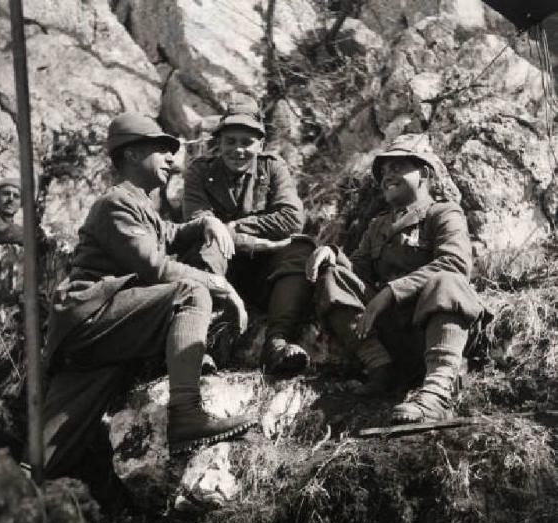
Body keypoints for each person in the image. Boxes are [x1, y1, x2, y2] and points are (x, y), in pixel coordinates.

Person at [41, 113, 255, 499]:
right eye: (161, 151)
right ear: (132, 153)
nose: (172, 160)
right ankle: (186, 412)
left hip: (97, 333)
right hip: (91, 317)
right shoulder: (114, 203)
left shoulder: (138, 203)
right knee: (191, 292)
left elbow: (168, 235)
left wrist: (205, 223)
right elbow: (155, 267)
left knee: (46, 456)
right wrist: (219, 284)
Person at [306, 134, 485, 423]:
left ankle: (437, 393)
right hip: (396, 334)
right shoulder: (378, 225)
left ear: (424, 173)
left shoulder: (443, 213)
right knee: (333, 278)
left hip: (439, 329)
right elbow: (358, 273)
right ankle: (381, 369)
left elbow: (455, 263)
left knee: (446, 281)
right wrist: (333, 254)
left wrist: (389, 292)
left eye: (398, 167)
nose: (388, 176)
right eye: (385, 171)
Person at [182, 96, 314, 376]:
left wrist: (234, 228)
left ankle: (277, 343)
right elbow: (198, 222)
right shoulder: (199, 171)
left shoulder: (272, 167)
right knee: (210, 245)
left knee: (300, 250)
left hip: (263, 270)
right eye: (230, 141)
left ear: (260, 145)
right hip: (222, 268)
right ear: (219, 143)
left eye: (246, 142)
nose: (238, 150)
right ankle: (202, 347)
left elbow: (292, 218)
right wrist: (241, 238)